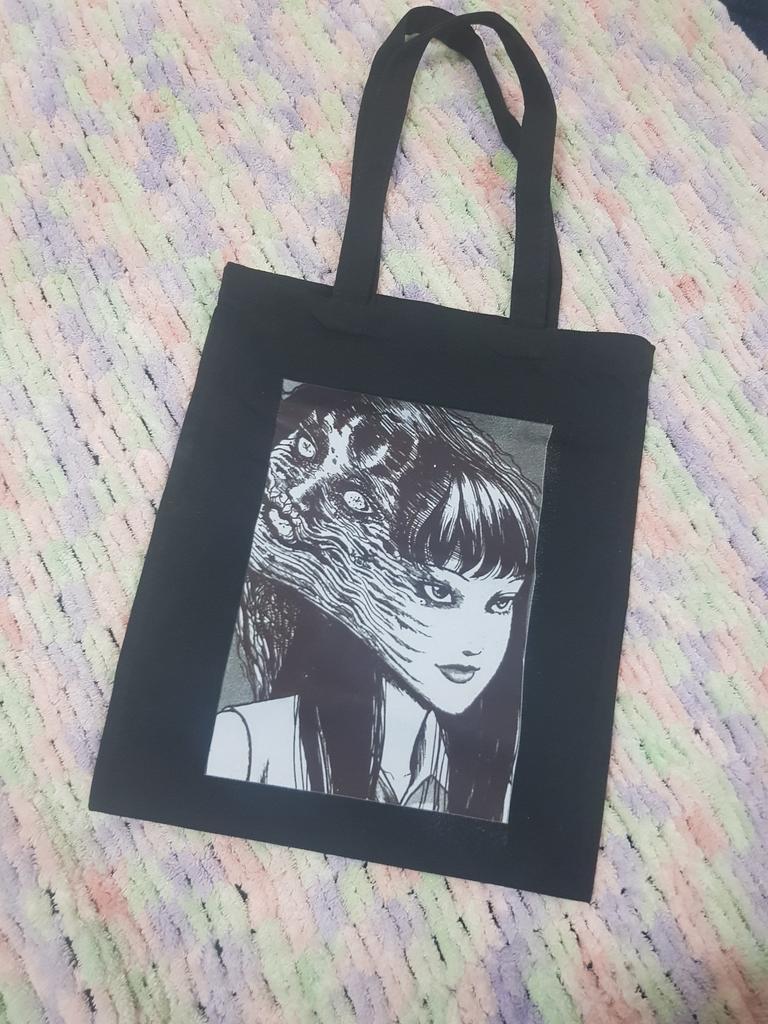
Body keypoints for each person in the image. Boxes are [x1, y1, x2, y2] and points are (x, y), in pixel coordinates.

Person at [206, 384, 540, 821]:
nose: (475, 642)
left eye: (500, 602)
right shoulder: (246, 747)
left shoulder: (501, 794)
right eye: (439, 592)